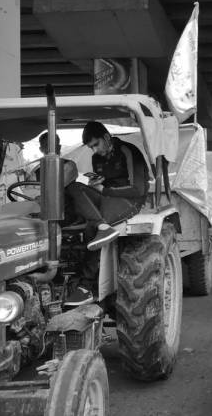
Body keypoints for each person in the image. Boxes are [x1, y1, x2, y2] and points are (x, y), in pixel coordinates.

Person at [64, 121, 149, 305]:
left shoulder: (129, 151)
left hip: (130, 200)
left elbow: (138, 188)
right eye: (90, 147)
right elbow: (105, 185)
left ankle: (86, 286)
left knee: (90, 228)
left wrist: (104, 189)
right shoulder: (97, 159)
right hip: (107, 196)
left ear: (106, 137)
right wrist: (97, 182)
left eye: (95, 145)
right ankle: (101, 225)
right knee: (73, 187)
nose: (94, 151)